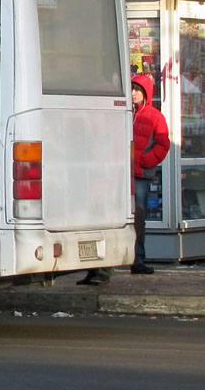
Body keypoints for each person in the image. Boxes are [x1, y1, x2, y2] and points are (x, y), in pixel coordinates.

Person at [79, 73, 170, 285]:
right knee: (109, 216)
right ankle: (102, 266)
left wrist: (145, 161)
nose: (134, 94)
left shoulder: (155, 117)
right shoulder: (120, 112)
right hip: (115, 173)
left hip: (138, 175)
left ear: (146, 93)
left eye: (138, 90)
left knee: (137, 217)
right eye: (132, 89)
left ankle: (136, 260)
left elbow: (163, 144)